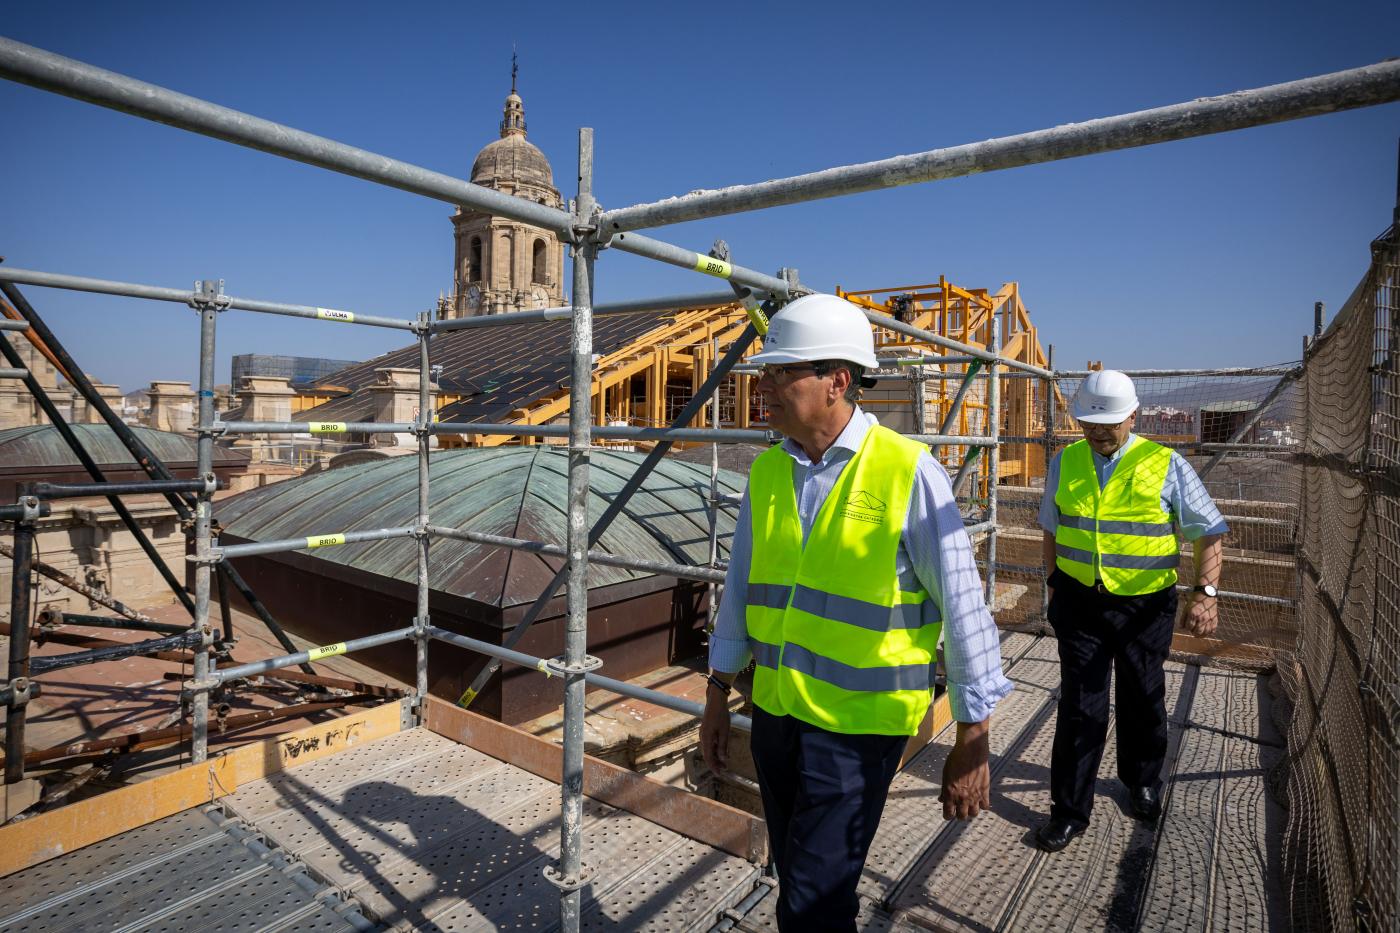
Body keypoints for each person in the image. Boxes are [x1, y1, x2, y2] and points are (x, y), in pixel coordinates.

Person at [698, 293, 1013, 932]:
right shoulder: (766, 473)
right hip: (776, 715)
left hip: (857, 731)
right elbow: (739, 589)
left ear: (838, 380)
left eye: (782, 372)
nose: (765, 385)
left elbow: (963, 605)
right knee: (800, 877)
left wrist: (972, 737)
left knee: (811, 903)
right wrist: (716, 691)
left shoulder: (907, 471)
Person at [1034, 369, 1227, 853]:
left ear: (1134, 417)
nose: (1098, 431)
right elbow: (1052, 527)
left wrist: (1206, 593)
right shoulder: (1065, 461)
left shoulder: (1165, 464)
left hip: (1145, 607)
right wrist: (1054, 586)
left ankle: (1141, 782)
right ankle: (1070, 810)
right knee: (1081, 706)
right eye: (1089, 422)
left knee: (1143, 696)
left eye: (1110, 422)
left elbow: (1209, 529)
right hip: (1080, 603)